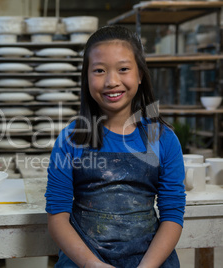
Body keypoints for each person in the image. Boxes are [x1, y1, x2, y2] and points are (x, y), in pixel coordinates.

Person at [45, 25, 186, 268]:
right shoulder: (71, 139)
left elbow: (172, 214)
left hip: (149, 261)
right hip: (85, 261)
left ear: (140, 74)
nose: (112, 81)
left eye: (123, 69)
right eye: (99, 70)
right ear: (86, 77)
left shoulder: (163, 139)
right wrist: (92, 264)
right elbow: (57, 216)